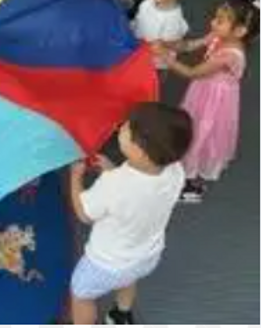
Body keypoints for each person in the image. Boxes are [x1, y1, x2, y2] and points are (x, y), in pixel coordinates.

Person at [69, 102, 193, 325]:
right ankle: (121, 314)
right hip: (146, 255)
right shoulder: (175, 172)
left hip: (106, 262)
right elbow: (139, 192)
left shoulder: (114, 184)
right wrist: (112, 170)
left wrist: (75, 177)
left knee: (81, 295)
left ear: (142, 153)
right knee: (129, 277)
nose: (120, 128)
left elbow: (84, 213)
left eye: (126, 129)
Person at [157, 0, 259, 202]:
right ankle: (188, 172)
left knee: (203, 132)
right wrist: (166, 44)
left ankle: (191, 184)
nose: (213, 22)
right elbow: (188, 45)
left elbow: (192, 72)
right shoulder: (218, 36)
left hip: (216, 100)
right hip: (204, 90)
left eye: (220, 20)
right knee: (193, 127)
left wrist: (166, 57)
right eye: (215, 17)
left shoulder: (230, 54)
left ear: (239, 31)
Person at [132, 0, 195, 72]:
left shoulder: (172, 20)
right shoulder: (148, 2)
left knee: (153, 79)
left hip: (155, 61)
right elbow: (139, 20)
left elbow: (171, 45)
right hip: (139, 49)